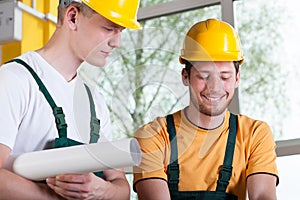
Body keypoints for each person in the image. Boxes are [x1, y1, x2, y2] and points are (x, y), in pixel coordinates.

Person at [0, 0, 141, 199]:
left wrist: (100, 190)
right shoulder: (15, 80)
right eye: (109, 28)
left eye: (121, 31)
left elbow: (121, 188)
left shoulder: (95, 102)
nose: (117, 42)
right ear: (72, 17)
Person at [133, 18, 279, 200]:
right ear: (185, 76)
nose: (215, 87)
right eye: (204, 76)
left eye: (225, 77)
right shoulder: (153, 136)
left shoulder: (255, 134)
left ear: (237, 78)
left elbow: (263, 196)